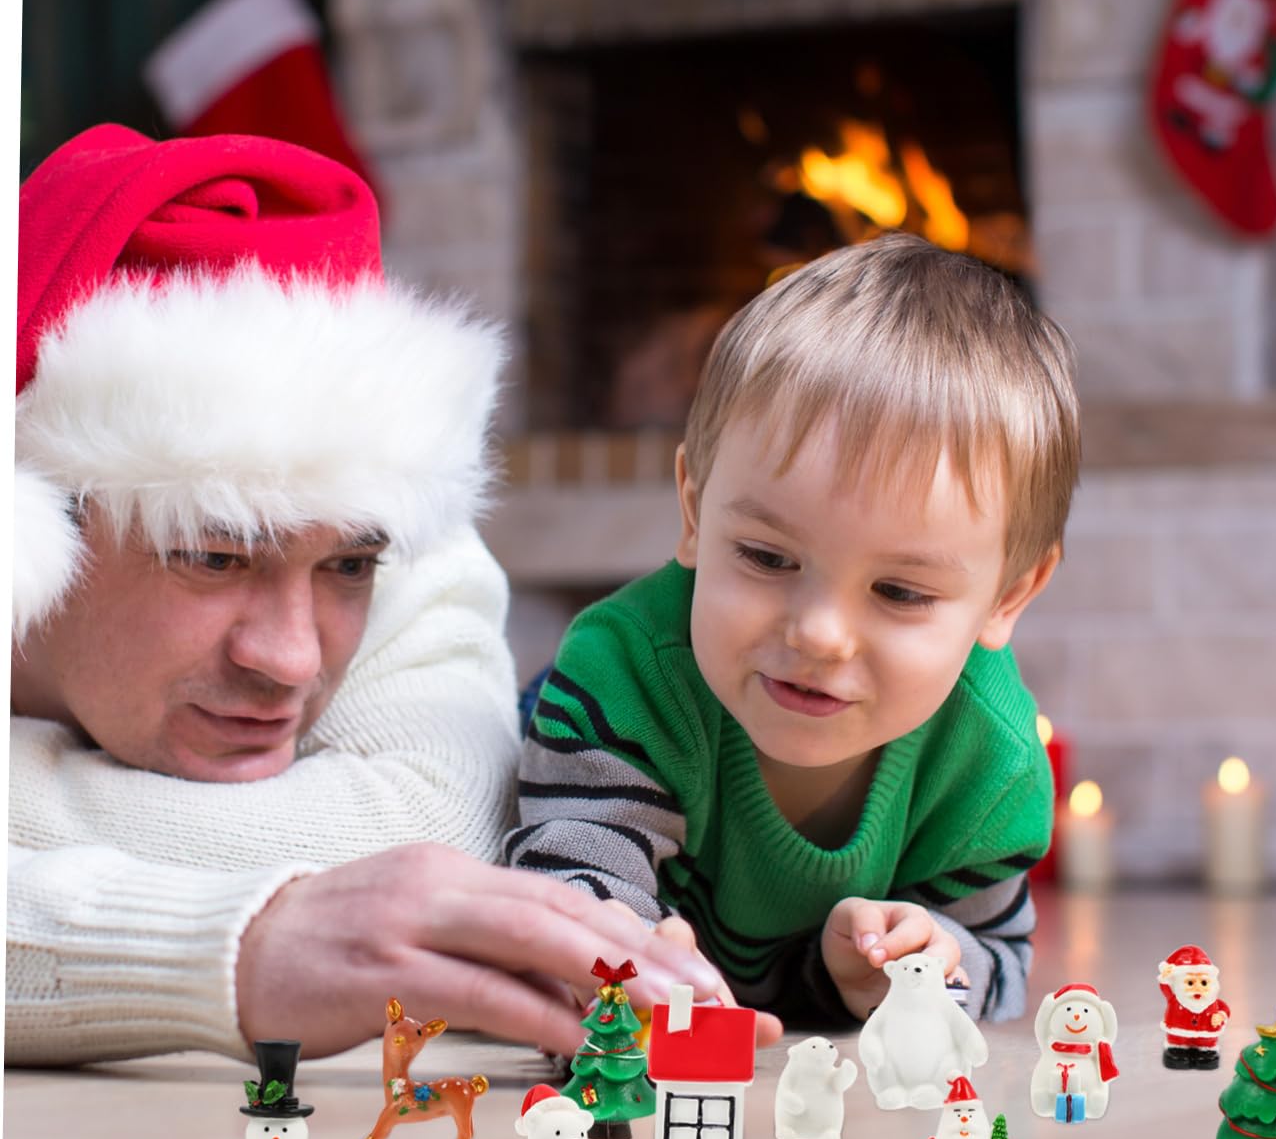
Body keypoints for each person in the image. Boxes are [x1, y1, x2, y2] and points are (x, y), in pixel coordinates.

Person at [7, 124, 734, 1066]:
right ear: (38, 516)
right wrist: (242, 950)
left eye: (348, 568)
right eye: (215, 558)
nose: (291, 659)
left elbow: (431, 830)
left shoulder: (389, 510)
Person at [507, 231, 1080, 1023]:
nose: (818, 634)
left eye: (899, 591)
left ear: (1008, 597)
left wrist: (921, 969)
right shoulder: (625, 677)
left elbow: (1000, 965)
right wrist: (627, 958)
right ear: (695, 514)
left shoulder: (989, 760)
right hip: (575, 755)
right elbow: (569, 903)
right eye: (768, 557)